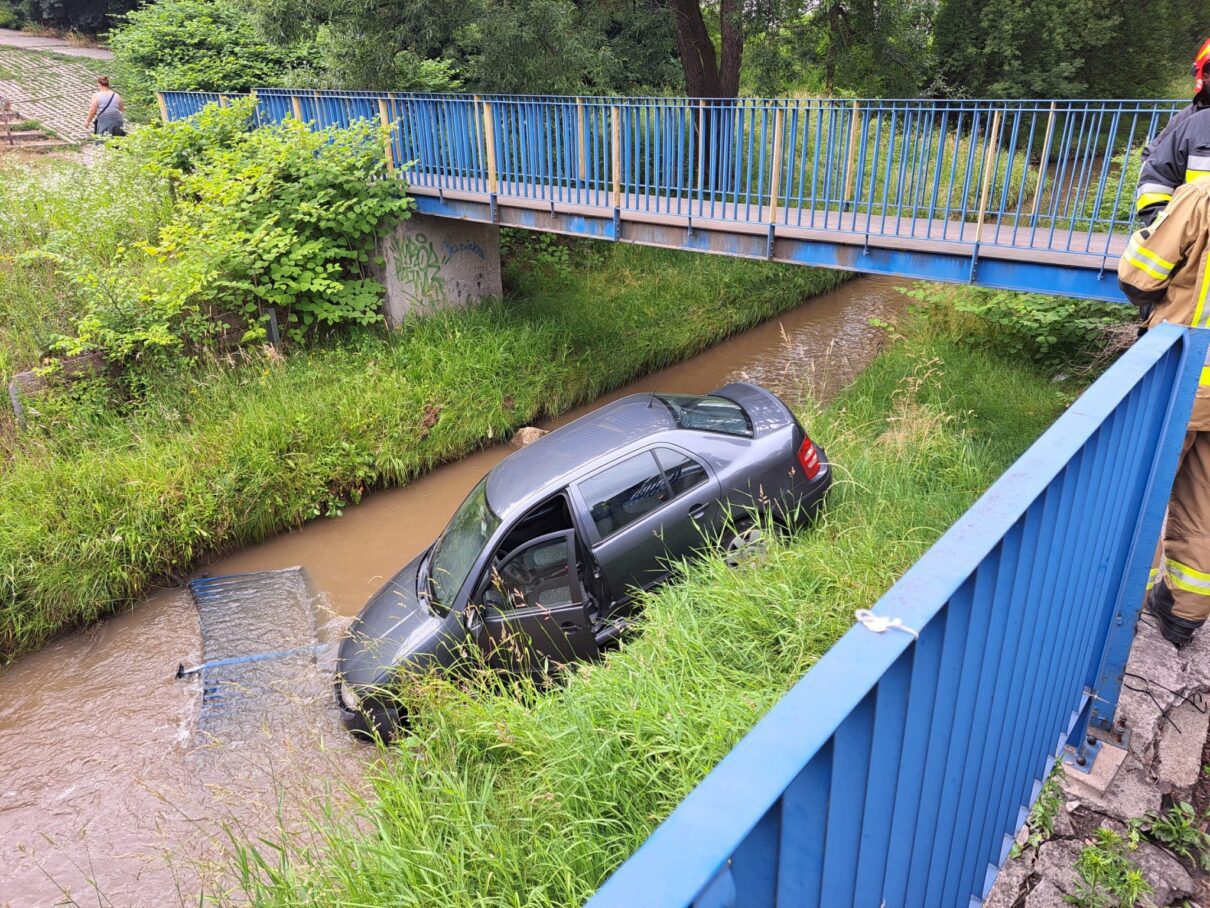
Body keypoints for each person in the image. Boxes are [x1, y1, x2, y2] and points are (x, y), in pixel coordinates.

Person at [1118, 178, 1210, 647]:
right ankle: (1183, 612)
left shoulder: (1203, 196)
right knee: (1204, 498)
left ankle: (1120, 607)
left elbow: (1139, 274)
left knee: (1140, 490)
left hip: (1192, 379)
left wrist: (1148, 230)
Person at [1134, 37, 1210, 226]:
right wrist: (1168, 229)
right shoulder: (1188, 122)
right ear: (1204, 76)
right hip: (1194, 240)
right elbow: (1154, 176)